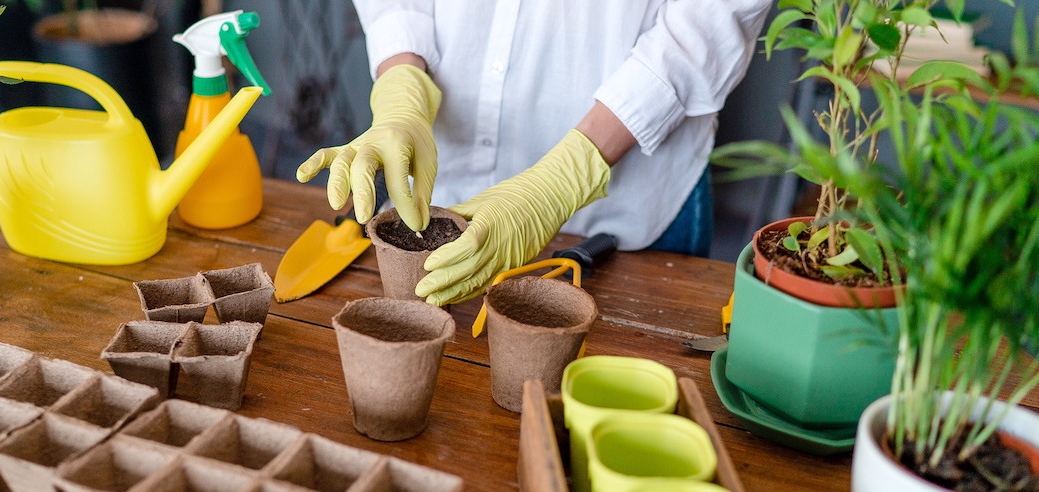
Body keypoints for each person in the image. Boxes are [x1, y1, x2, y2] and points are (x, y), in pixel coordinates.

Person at [297, 1, 773, 306]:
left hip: (626, 205)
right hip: (449, 175)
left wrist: (568, 174)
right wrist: (403, 83)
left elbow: (711, 19)